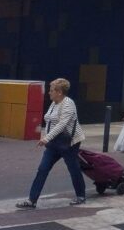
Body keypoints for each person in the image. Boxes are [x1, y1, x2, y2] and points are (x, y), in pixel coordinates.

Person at [16, 78, 86, 208]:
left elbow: (62, 124)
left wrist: (46, 138)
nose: (49, 93)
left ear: (59, 92)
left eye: (52, 90)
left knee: (73, 168)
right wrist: (47, 137)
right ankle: (32, 200)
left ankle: (81, 195)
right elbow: (50, 121)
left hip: (69, 143)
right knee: (42, 169)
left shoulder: (68, 104)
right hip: (54, 143)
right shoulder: (54, 103)